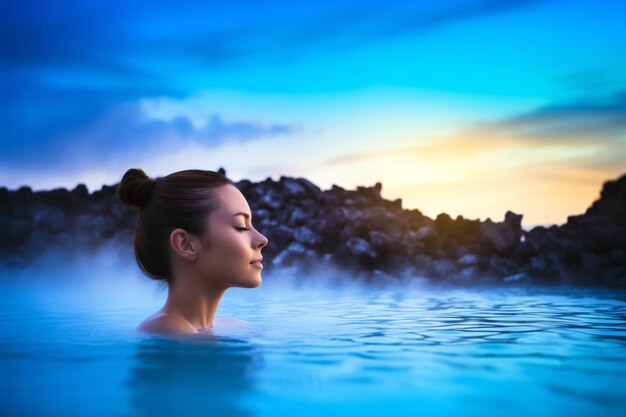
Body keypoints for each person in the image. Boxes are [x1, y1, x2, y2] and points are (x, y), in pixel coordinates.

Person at [117, 168, 269, 336]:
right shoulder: (165, 329)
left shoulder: (231, 326)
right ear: (186, 244)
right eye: (241, 226)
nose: (262, 239)